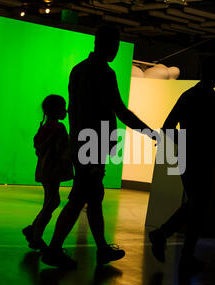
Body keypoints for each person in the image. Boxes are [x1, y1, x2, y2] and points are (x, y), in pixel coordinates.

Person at [42, 25, 158, 269]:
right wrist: (149, 132)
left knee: (93, 198)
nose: (116, 49)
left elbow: (79, 111)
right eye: (115, 44)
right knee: (79, 198)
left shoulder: (78, 70)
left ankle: (102, 249)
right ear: (107, 44)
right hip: (92, 147)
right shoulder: (104, 73)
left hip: (82, 144)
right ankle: (54, 250)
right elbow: (119, 110)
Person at [148, 57, 215, 272]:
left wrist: (185, 145)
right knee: (198, 204)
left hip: (188, 157)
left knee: (196, 204)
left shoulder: (189, 96)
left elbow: (168, 126)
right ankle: (170, 240)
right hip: (203, 159)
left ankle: (181, 251)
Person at [22, 95, 73, 251]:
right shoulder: (59, 128)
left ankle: (33, 229)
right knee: (52, 202)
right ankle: (36, 236)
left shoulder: (44, 127)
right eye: (63, 107)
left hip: (45, 170)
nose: (66, 110)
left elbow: (39, 148)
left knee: (50, 201)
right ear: (56, 110)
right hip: (54, 170)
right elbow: (63, 150)